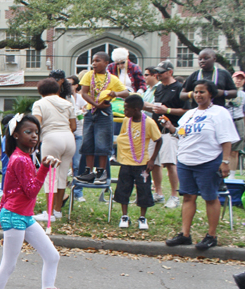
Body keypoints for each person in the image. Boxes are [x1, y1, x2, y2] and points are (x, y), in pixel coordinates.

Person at [0, 114, 71, 289]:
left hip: (22, 216)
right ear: (16, 135)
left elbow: (8, 192)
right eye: (28, 132)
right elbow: (31, 192)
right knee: (8, 265)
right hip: (15, 217)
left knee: (52, 256)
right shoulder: (20, 159)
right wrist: (45, 168)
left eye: (36, 132)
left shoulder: (24, 157)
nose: (34, 136)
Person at [163, 80, 240, 250]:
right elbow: (181, 133)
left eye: (202, 92)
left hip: (208, 161)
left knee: (210, 197)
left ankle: (211, 236)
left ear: (211, 94)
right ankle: (185, 234)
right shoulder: (190, 114)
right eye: (196, 92)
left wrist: (225, 161)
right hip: (185, 160)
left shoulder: (219, 113)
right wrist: (171, 127)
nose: (198, 95)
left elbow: (226, 139)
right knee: (188, 197)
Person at [75, 52, 129, 185]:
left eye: (97, 61)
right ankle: (88, 172)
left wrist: (115, 93)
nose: (94, 63)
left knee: (102, 141)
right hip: (91, 111)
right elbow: (84, 93)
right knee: (88, 141)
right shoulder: (89, 75)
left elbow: (126, 93)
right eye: (93, 61)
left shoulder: (112, 79)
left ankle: (101, 172)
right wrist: (95, 104)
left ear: (106, 63)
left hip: (104, 112)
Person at [113, 95, 162, 230]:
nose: (124, 111)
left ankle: (142, 217)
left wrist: (152, 159)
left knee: (144, 190)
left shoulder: (149, 123)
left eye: (126, 109)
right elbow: (124, 137)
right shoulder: (126, 121)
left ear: (136, 110)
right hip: (126, 162)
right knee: (123, 188)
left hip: (142, 164)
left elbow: (158, 140)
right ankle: (124, 216)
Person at [31, 77, 76, 221]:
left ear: (40, 91)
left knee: (49, 175)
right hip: (69, 138)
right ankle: (57, 210)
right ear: (57, 89)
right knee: (62, 176)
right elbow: (74, 126)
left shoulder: (40, 103)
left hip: (51, 138)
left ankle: (49, 213)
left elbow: (37, 124)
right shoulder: (67, 103)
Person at [149, 60, 187, 208]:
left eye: (161, 72)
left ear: (170, 72)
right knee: (154, 162)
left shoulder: (180, 88)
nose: (157, 75)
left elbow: (187, 110)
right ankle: (158, 193)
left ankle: (174, 196)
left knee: (170, 163)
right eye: (156, 72)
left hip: (171, 129)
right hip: (156, 129)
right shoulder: (158, 88)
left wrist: (168, 111)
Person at [67, 74, 86, 202]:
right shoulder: (64, 98)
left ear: (76, 85)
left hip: (78, 133)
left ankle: (78, 192)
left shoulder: (80, 98)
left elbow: (85, 111)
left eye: (70, 84)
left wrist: (81, 113)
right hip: (66, 133)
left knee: (77, 163)